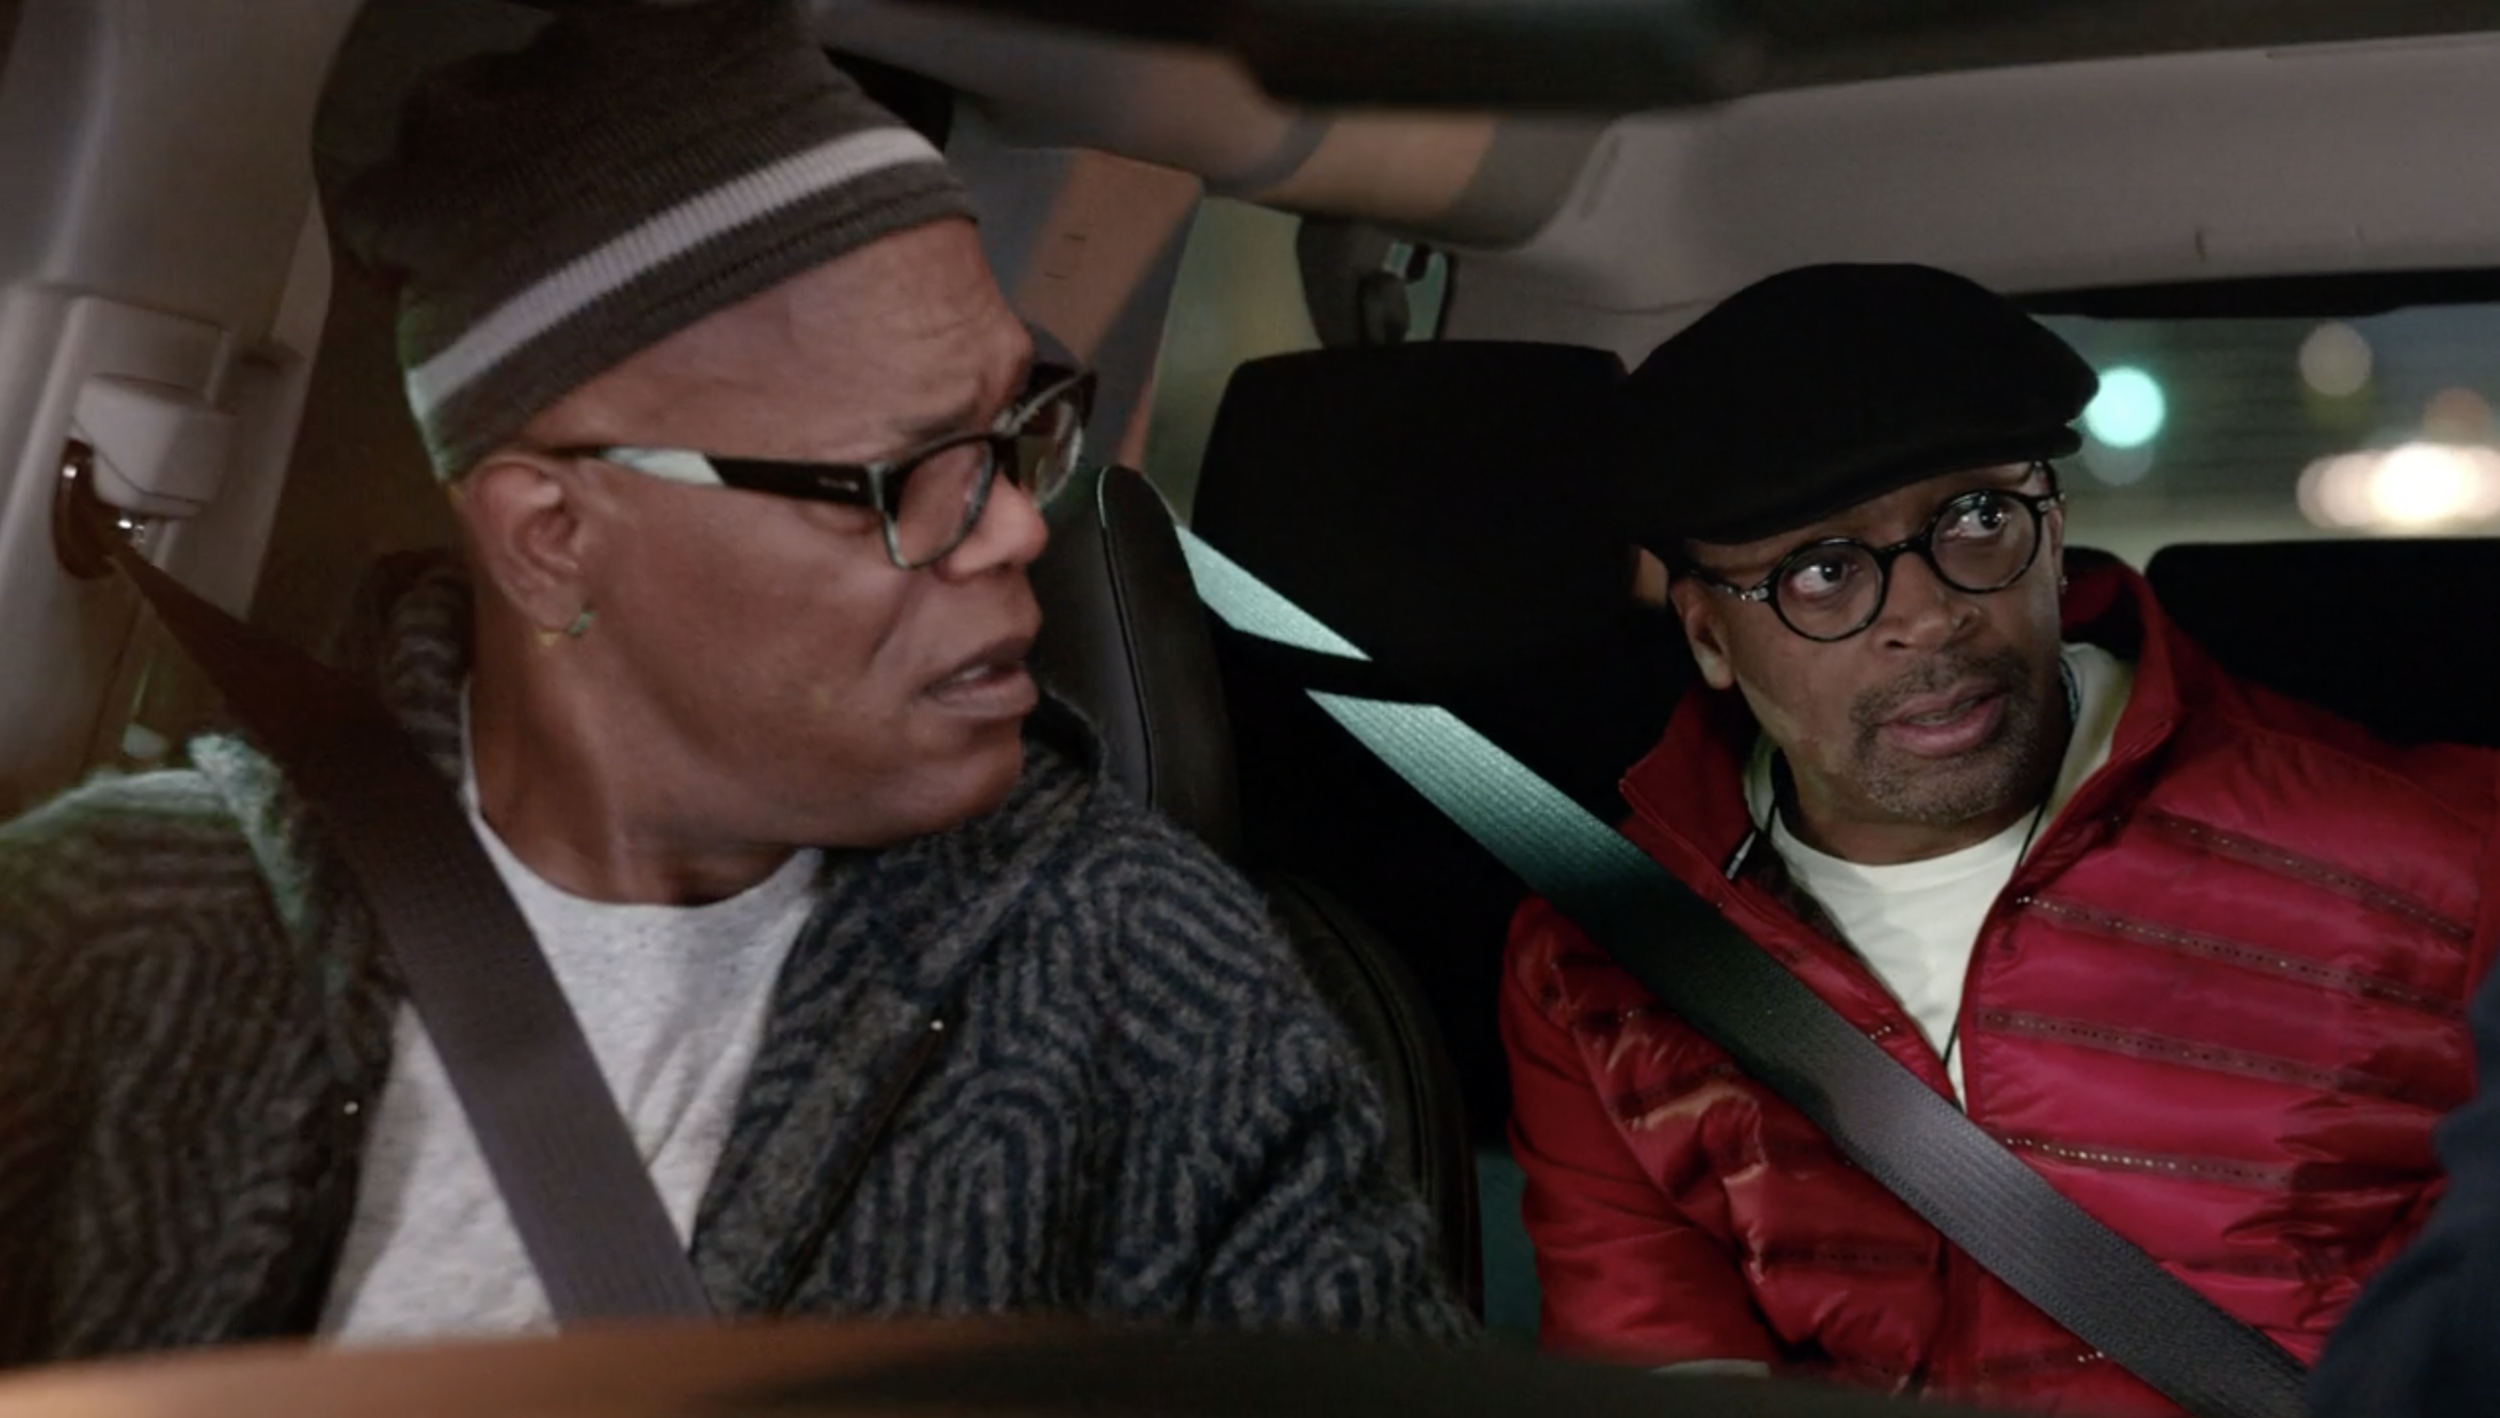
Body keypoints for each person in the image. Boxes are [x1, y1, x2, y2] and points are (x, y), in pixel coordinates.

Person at [0, 0, 1469, 1365]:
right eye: (900, 477)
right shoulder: (95, 930)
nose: (1018, 527)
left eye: (1017, 427)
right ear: (551, 539)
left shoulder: (1142, 970)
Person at [1499, 262, 2500, 1414]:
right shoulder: (1608, 957)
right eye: (1823, 571)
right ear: (1708, 635)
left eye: (1977, 519)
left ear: (2054, 529)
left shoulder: (2443, 860)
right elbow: (1659, 1361)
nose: (1929, 615)